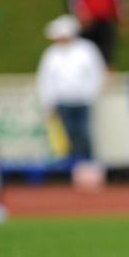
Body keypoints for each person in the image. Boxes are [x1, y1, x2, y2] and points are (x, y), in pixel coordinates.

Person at [36, 15, 106, 160]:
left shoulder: (87, 50)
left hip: (82, 100)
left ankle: (86, 163)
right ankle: (70, 166)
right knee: (66, 136)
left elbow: (97, 74)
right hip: (62, 101)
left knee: (84, 133)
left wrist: (90, 95)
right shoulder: (52, 54)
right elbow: (45, 80)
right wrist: (48, 103)